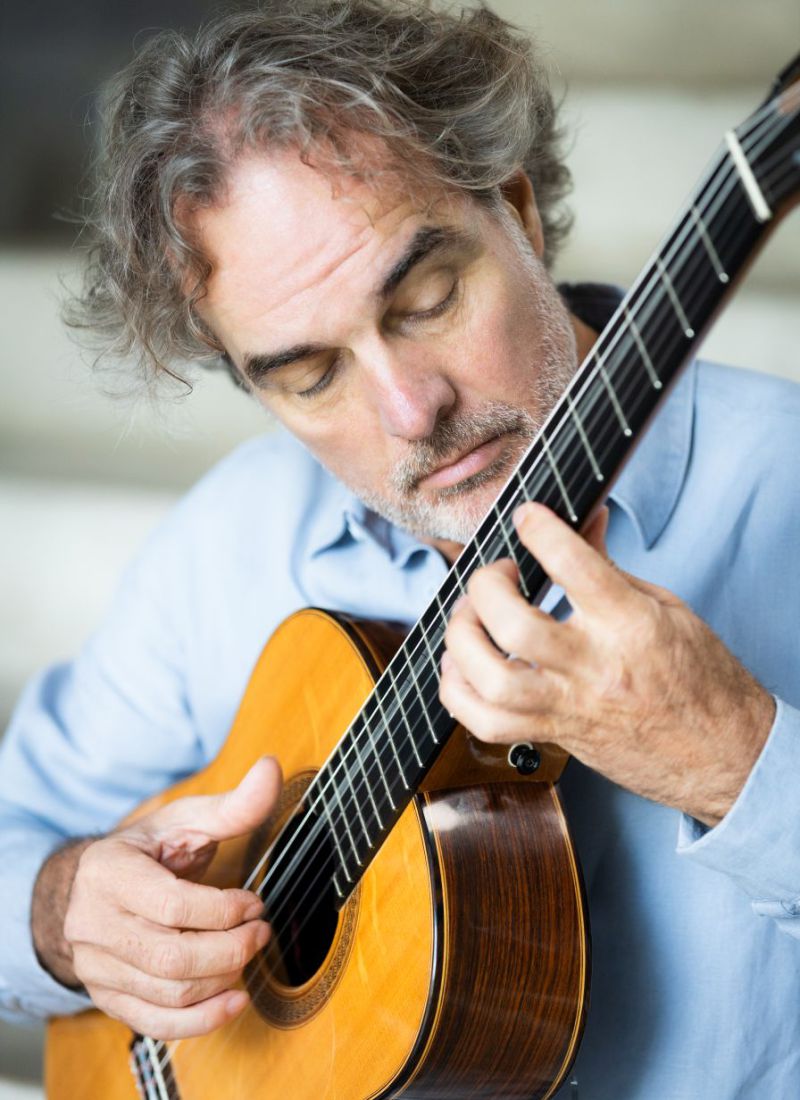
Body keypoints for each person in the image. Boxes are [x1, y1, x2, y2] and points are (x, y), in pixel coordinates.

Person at [1, 2, 799, 1096]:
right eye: (309, 375)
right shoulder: (232, 539)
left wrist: (732, 758)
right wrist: (63, 910)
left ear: (516, 208)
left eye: (426, 299)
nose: (410, 411)